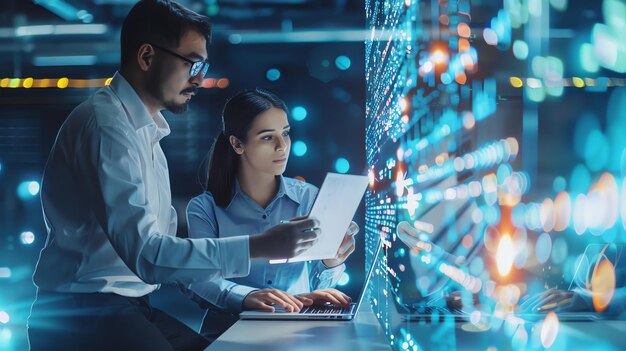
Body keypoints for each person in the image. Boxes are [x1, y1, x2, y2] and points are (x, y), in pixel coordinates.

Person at [27, 2, 319, 350]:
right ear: (147, 57)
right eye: (191, 63)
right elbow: (149, 255)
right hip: (87, 314)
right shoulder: (107, 128)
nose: (199, 77)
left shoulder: (143, 130)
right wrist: (261, 245)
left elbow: (158, 252)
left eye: (203, 65)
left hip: (124, 306)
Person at [185, 89, 358, 340]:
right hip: (228, 334)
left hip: (295, 331)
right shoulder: (204, 208)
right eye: (267, 137)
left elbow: (320, 287)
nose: (282, 146)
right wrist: (246, 297)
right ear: (237, 144)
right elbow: (198, 280)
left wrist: (332, 261)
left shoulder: (309, 198)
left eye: (285, 134)